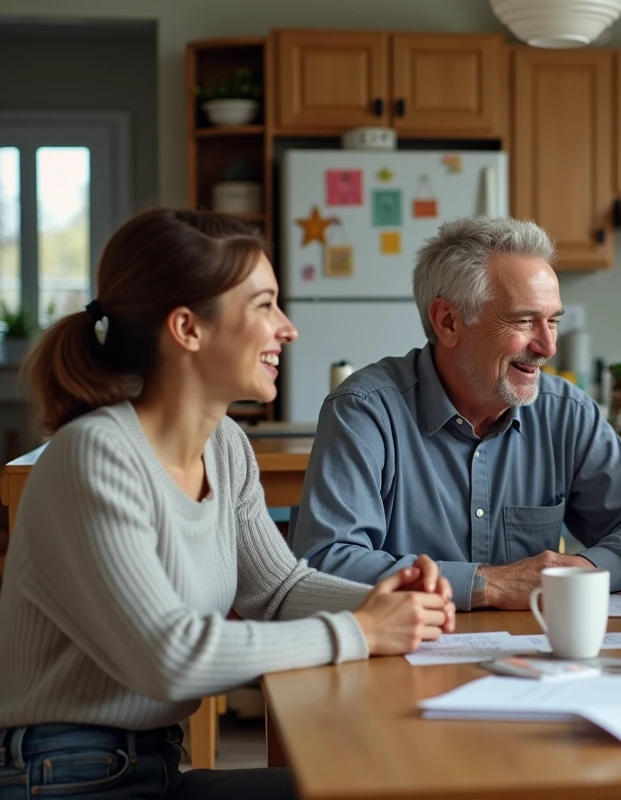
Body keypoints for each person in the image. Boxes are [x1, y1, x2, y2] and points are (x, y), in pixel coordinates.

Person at [0, 209, 455, 799]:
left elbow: (276, 589)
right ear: (188, 328)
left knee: (377, 784)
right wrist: (363, 630)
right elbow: (168, 658)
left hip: (151, 764)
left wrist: (390, 602)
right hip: (60, 775)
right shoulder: (94, 455)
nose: (287, 329)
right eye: (263, 306)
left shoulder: (224, 445)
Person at [289, 216, 621, 611]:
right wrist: (487, 584)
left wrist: (582, 568)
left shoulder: (565, 411)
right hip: (401, 654)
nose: (548, 346)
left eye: (553, 321)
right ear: (448, 322)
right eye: (524, 320)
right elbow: (326, 561)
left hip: (532, 657)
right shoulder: (365, 411)